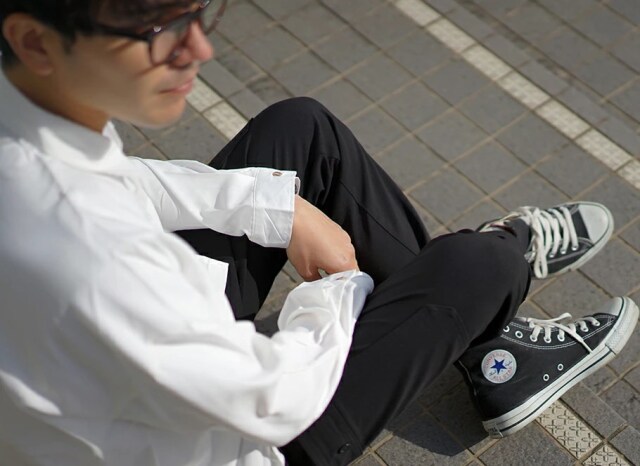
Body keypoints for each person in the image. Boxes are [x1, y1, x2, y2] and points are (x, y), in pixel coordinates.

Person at [0, 1, 636, 465]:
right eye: (154, 27)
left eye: (197, 12)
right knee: (480, 265)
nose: (198, 49)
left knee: (300, 129)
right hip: (245, 441)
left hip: (139, 389)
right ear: (34, 42)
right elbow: (276, 397)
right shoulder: (97, 263)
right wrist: (339, 288)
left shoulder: (23, 132)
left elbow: (123, 180)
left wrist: (281, 207)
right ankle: (500, 316)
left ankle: (489, 348)